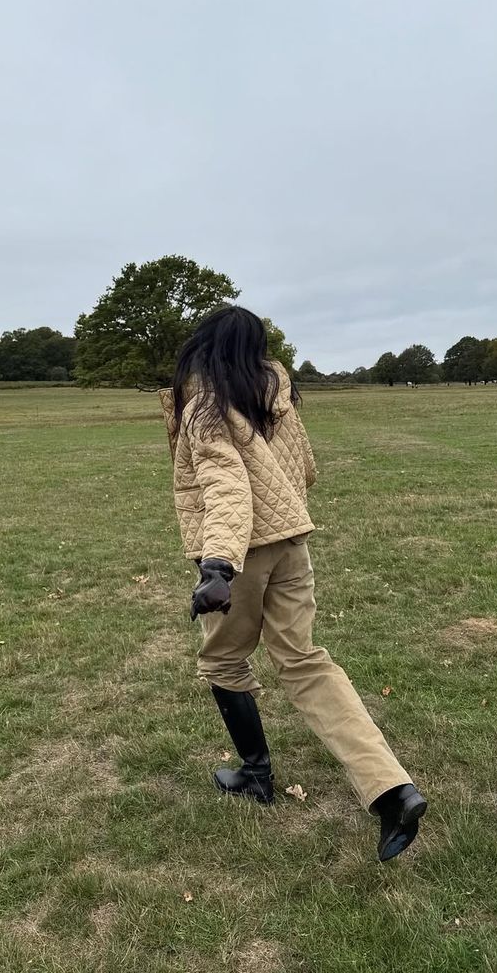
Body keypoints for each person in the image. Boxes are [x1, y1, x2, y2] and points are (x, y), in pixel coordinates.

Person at [159, 305, 426, 861]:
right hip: (292, 542)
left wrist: (218, 566)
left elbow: (227, 485)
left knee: (222, 663)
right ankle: (390, 789)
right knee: (305, 662)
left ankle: (257, 777)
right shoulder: (274, 390)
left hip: (241, 554)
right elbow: (304, 468)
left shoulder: (206, 403)